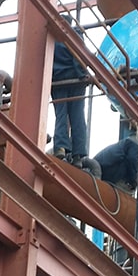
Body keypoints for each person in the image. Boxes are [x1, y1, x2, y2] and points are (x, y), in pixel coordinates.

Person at [51, 17, 89, 166]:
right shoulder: (74, 33)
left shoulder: (51, 36)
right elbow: (78, 56)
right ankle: (78, 155)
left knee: (60, 115)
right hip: (75, 79)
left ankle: (60, 148)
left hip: (57, 80)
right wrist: (82, 75)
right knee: (77, 115)